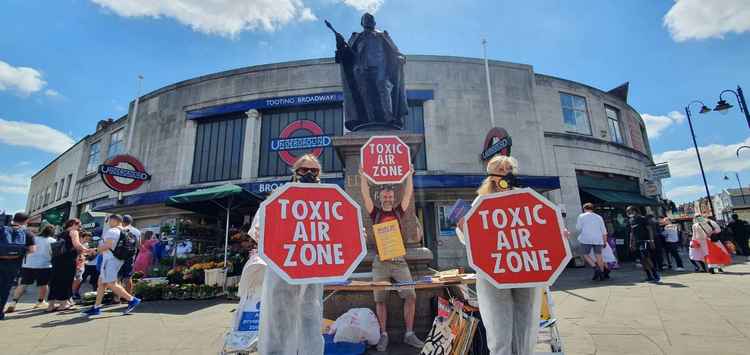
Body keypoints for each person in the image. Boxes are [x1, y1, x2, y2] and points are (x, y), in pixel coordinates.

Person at [458, 155, 541, 355]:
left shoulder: (526, 196)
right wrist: (463, 229)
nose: (508, 173)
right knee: (499, 327)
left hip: (525, 270)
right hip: (493, 272)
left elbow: (538, 227)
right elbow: (471, 239)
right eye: (503, 169)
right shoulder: (481, 201)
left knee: (525, 323)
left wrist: (556, 234)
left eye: (510, 169)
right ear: (492, 175)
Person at [258, 154, 325, 355]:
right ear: (295, 173)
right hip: (282, 276)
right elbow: (260, 230)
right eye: (304, 170)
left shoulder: (326, 201)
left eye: (314, 171)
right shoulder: (277, 197)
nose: (309, 174)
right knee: (279, 323)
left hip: (312, 275)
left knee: (310, 320)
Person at [359, 166, 424, 351]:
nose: (387, 198)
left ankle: (409, 334)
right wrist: (363, 176)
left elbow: (408, 195)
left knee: (410, 295)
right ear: (380, 198)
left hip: (398, 260)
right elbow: (365, 195)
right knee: (380, 299)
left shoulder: (397, 212)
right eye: (384, 196)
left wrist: (410, 175)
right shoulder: (375, 213)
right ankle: (383, 335)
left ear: (393, 198)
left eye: (390, 196)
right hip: (381, 261)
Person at [82, 214, 141, 316]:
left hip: (110, 260)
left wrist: (95, 250)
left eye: (109, 221)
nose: (108, 223)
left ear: (114, 220)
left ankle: (132, 300)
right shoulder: (126, 231)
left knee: (110, 283)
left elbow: (107, 245)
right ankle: (96, 307)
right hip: (118, 259)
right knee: (101, 283)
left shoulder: (112, 231)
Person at [5, 224, 53, 313]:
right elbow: (52, 254)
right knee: (44, 284)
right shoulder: (52, 240)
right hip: (44, 265)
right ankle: (40, 301)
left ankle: (13, 302)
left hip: (28, 264)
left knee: (23, 284)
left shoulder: (33, 238)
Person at [47, 218, 91, 311]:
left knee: (55, 281)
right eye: (79, 225)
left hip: (57, 260)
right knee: (66, 281)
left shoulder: (60, 234)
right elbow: (77, 245)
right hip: (68, 260)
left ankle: (50, 305)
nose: (80, 227)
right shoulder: (74, 232)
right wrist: (88, 250)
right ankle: (63, 304)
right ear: (73, 224)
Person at [0, 212, 36, 320]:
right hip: (14, 265)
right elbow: (32, 250)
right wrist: (18, 254)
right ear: (26, 221)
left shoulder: (2, 229)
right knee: (5, 289)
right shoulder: (27, 233)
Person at [575, 203, 609, 281]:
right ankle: (602, 273)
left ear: (584, 209)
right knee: (599, 255)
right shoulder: (599, 217)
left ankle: (595, 267)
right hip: (598, 238)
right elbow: (604, 230)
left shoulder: (581, 216)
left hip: (586, 238)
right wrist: (605, 241)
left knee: (585, 254)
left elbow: (578, 228)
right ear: (592, 209)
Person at [627, 206, 660, 282]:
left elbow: (650, 229)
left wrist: (651, 241)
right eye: (627, 212)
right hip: (637, 242)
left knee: (646, 258)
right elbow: (632, 232)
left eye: (629, 211)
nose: (628, 213)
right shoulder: (631, 220)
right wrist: (631, 243)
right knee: (642, 260)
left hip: (645, 241)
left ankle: (655, 274)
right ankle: (649, 275)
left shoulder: (642, 218)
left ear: (635, 211)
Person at [118, 215, 141, 300]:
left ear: (122, 221)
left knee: (118, 277)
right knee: (128, 277)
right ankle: (128, 297)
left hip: (119, 256)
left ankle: (117, 298)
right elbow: (139, 246)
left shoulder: (119, 229)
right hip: (130, 256)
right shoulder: (137, 231)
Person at [73, 231, 97, 299]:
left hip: (82, 265)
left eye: (88, 239)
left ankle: (74, 293)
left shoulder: (86, 244)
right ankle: (73, 293)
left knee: (79, 279)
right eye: (86, 239)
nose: (87, 241)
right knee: (77, 280)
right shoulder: (77, 244)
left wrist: (90, 254)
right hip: (76, 265)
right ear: (81, 237)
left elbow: (87, 256)